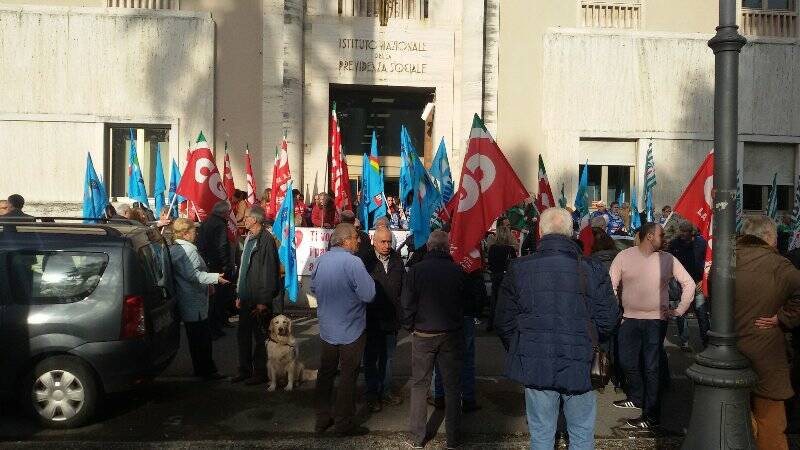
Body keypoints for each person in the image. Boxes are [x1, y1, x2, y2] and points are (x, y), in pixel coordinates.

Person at [495, 208, 619, 450]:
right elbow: (608, 320)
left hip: (537, 362)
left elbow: (504, 321)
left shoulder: (520, 268)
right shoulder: (591, 268)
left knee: (541, 435)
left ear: (540, 232)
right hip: (581, 362)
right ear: (571, 233)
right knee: (582, 436)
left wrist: (523, 348)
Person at [609, 222, 695, 429]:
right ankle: (637, 397)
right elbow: (610, 284)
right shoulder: (624, 256)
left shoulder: (668, 259)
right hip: (628, 319)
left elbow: (689, 283)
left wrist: (679, 310)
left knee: (651, 366)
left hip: (656, 321)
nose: (664, 238)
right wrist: (616, 311)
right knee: (626, 361)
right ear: (649, 236)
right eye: (661, 235)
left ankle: (651, 415)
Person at [735, 215, 800, 450]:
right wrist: (783, 318)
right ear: (770, 237)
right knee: (770, 421)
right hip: (767, 353)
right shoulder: (779, 266)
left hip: (729, 350)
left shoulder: (728, 259)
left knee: (733, 418)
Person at [401, 230, 468, 449]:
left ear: (428, 247)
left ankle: (417, 437)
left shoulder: (416, 271)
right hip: (450, 333)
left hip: (423, 333)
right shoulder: (457, 271)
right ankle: (454, 438)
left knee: (420, 385)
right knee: (452, 387)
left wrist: (410, 325)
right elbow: (468, 303)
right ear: (447, 248)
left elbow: (407, 303)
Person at [311, 223, 375, 436]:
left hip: (328, 328)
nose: (358, 241)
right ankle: (343, 422)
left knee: (326, 373)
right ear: (346, 240)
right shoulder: (353, 262)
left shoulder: (320, 261)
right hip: (351, 329)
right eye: (356, 237)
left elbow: (313, 288)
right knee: (348, 375)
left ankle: (322, 418)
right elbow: (369, 295)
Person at [169, 218, 228, 380]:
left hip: (188, 300)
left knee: (196, 339)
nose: (196, 233)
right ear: (186, 234)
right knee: (201, 340)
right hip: (194, 302)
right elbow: (194, 275)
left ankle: (202, 369)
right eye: (194, 231)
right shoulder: (188, 252)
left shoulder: (175, 249)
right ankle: (207, 370)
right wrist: (216, 278)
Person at [231, 204, 281, 385]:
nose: (244, 220)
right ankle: (244, 370)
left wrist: (263, 301)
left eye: (247, 217)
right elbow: (244, 268)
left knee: (260, 338)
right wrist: (238, 292)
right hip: (245, 297)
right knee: (242, 335)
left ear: (256, 220)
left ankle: (260, 372)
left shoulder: (265, 240)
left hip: (258, 299)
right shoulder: (249, 238)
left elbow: (269, 272)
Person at [363, 226, 405, 412]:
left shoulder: (397, 259)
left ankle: (386, 391)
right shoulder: (365, 260)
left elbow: (403, 287)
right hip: (371, 318)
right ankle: (372, 394)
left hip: (391, 318)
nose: (387, 245)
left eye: (389, 241)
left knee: (388, 358)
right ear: (374, 241)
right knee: (371, 358)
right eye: (383, 242)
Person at [196, 201, 235, 339]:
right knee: (218, 297)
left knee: (215, 297)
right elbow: (222, 245)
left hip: (208, 262)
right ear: (224, 213)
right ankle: (215, 327)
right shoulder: (219, 224)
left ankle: (219, 322)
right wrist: (226, 264)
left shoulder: (207, 220)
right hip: (218, 265)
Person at [667, 222, 704, 351]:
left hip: (698, 283)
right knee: (681, 314)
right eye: (681, 230)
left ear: (691, 232)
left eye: (685, 231)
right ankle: (685, 341)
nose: (682, 233)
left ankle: (706, 341)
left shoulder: (701, 243)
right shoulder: (674, 244)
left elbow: (708, 263)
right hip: (680, 284)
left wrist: (703, 280)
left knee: (701, 313)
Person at [487, 225, 517, 331]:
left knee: (494, 300)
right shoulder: (510, 249)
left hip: (495, 275)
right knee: (506, 301)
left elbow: (489, 263)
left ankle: (490, 323)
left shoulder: (492, 248)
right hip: (506, 276)